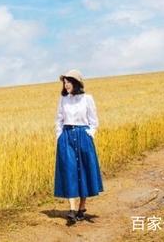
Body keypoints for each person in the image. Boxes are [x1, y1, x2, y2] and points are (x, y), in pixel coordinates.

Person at [54, 69, 104, 224]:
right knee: (69, 170)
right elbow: (59, 119)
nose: (66, 84)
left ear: (76, 83)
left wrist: (90, 134)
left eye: (68, 82)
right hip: (67, 136)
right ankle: (71, 209)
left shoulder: (87, 99)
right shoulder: (63, 99)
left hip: (83, 136)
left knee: (83, 170)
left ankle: (82, 207)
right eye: (64, 82)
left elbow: (94, 121)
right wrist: (60, 136)